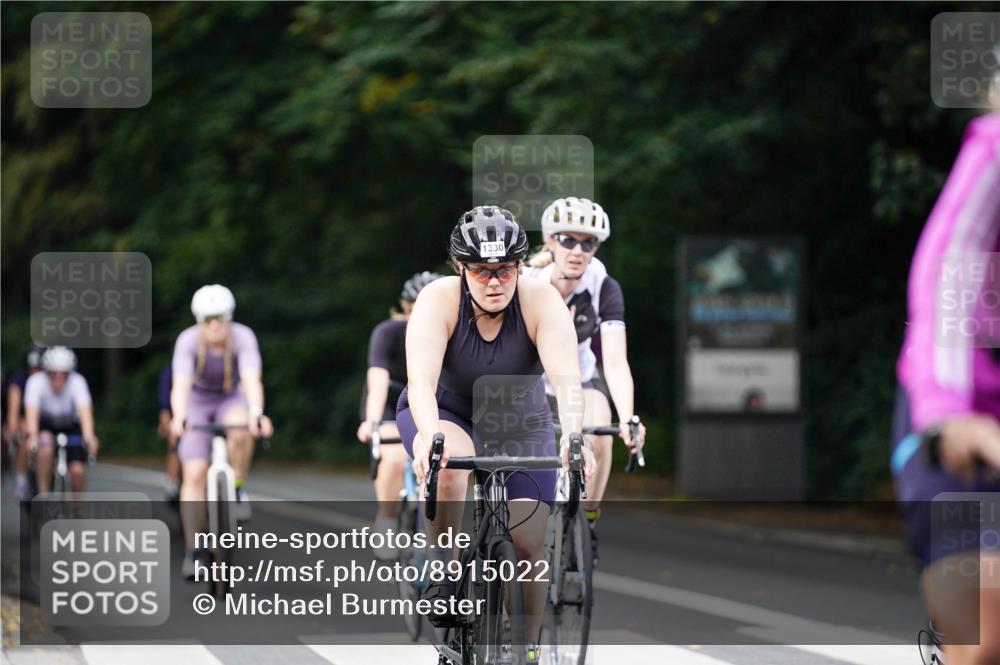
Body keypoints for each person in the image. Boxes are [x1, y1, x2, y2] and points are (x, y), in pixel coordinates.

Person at [397, 206, 595, 662]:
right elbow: (422, 382)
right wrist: (429, 435)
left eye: (504, 270)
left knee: (529, 542)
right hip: (447, 411)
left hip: (519, 419)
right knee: (448, 465)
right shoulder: (438, 299)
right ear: (461, 268)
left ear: (521, 266)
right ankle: (444, 568)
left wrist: (573, 434)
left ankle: (528, 646)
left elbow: (567, 382)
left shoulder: (541, 301)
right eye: (481, 271)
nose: (493, 281)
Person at [891, 107, 1000, 665]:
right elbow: (947, 281)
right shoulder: (995, 147)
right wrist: (949, 412)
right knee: (985, 635)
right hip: (963, 408)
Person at [525, 196, 646, 563]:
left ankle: (587, 519)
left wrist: (628, 418)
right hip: (532, 380)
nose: (578, 251)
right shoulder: (528, 284)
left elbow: (615, 360)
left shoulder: (602, 285)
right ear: (550, 241)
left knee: (599, 430)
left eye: (588, 243)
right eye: (568, 240)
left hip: (579, 380)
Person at [169, 284, 274, 578]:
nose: (214, 324)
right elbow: (180, 384)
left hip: (231, 398)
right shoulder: (188, 341)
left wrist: (257, 413)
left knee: (241, 430)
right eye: (207, 319)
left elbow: (253, 378)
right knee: (194, 473)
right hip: (198, 402)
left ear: (230, 317)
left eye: (220, 317)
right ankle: (193, 551)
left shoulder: (243, 337)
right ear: (197, 320)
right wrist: (179, 417)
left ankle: (237, 488)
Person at [357, 271, 442, 556]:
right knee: (393, 458)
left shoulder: (451, 330)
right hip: (392, 402)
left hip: (433, 400)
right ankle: (387, 516)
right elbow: (378, 379)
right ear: (406, 307)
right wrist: (373, 421)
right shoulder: (388, 332)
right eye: (417, 305)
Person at [23, 347, 98, 495]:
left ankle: (76, 510)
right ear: (46, 372)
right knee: (45, 447)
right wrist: (32, 436)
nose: (58, 378)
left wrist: (90, 437)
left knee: (77, 470)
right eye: (53, 374)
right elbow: (32, 413)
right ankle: (43, 493)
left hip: (71, 425)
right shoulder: (35, 382)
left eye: (63, 374)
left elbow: (85, 413)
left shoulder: (78, 382)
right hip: (46, 424)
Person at [9, 346, 46, 499]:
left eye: (38, 368)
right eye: (31, 368)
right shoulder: (19, 380)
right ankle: (22, 479)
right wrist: (13, 428)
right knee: (25, 436)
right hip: (25, 420)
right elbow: (14, 407)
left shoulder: (48, 381)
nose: (34, 372)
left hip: (45, 420)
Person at [157, 363, 180, 505]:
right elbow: (165, 407)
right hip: (177, 415)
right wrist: (165, 425)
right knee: (175, 440)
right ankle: (172, 482)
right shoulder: (170, 372)